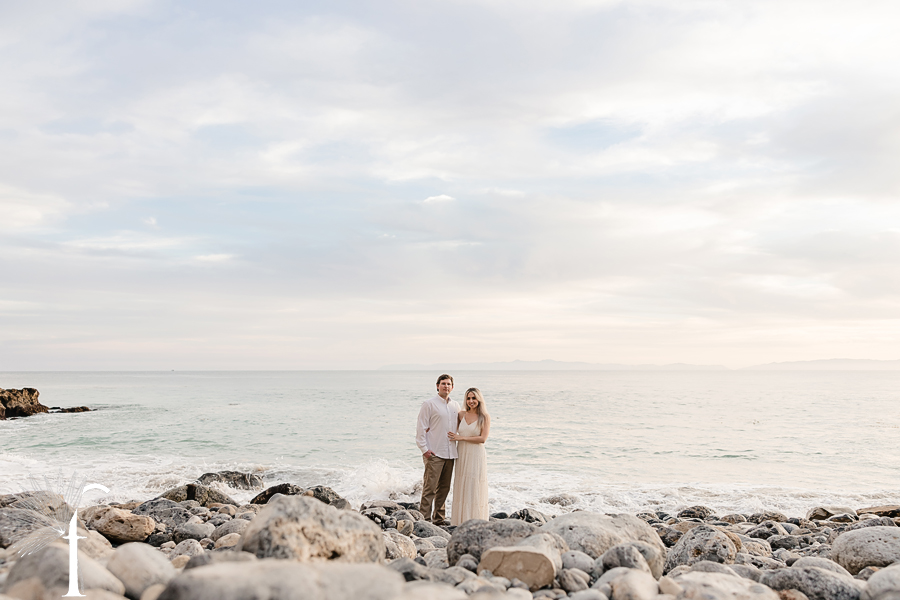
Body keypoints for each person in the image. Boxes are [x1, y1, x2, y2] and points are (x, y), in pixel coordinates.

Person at [416, 374, 461, 525]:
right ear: (437, 386)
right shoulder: (429, 404)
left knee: (444, 488)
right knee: (430, 489)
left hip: (450, 453)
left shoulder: (455, 405)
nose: (446, 386)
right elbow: (421, 428)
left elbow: (461, 427)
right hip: (434, 452)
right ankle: (424, 520)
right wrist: (424, 450)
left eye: (448, 384)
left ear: (452, 387)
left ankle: (439, 519)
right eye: (443, 384)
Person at [448, 387, 490, 525]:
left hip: (476, 454)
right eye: (468, 398)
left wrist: (462, 438)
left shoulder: (484, 417)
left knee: (474, 485)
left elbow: (482, 439)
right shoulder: (461, 415)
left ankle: (475, 520)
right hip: (462, 454)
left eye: (474, 398)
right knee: (462, 484)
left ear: (479, 399)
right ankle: (460, 521)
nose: (471, 401)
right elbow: (447, 426)